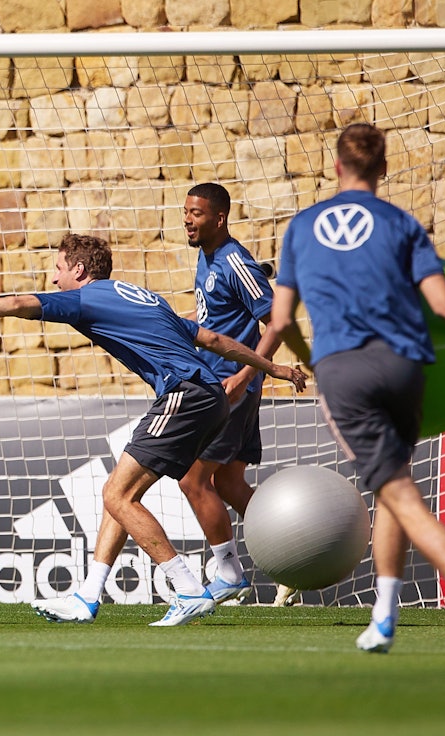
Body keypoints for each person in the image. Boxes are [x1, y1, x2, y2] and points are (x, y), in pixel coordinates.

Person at [0, 233, 307, 626]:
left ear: (78, 270)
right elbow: (211, 338)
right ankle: (88, 595)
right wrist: (271, 367)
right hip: (211, 398)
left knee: (118, 495)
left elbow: (17, 304)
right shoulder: (144, 297)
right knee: (119, 492)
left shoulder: (85, 299)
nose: (54, 279)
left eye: (58, 269)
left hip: (185, 394)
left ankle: (188, 588)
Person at [268, 123, 445, 657]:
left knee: (401, 495)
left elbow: (282, 319)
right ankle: (384, 618)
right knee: (394, 487)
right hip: (406, 369)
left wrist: (312, 362)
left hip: (346, 372)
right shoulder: (401, 224)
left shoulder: (302, 227)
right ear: (383, 168)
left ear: (336, 166)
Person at [180, 182, 299, 606]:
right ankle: (292, 558)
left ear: (220, 218)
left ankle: (228, 574)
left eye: (196, 213)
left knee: (192, 480)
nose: (187, 220)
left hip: (230, 388)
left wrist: (246, 375)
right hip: (222, 384)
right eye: (186, 212)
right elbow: (218, 315)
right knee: (229, 482)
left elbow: (278, 322)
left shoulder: (234, 262)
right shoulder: (207, 255)